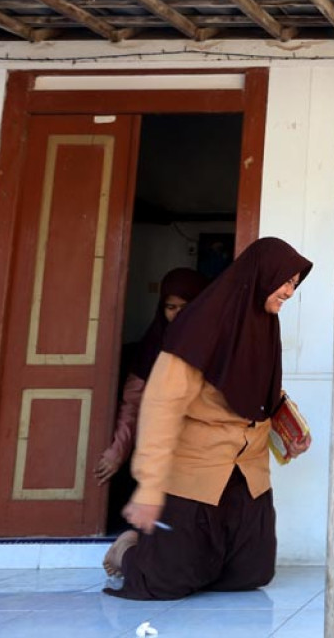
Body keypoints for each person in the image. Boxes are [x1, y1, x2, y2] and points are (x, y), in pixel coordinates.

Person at [102, 237, 314, 600]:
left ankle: (179, 553)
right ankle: (129, 548)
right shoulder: (200, 326)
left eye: (294, 283)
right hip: (197, 468)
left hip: (247, 470)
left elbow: (262, 393)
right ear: (262, 275)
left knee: (250, 574)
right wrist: (150, 487)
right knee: (165, 582)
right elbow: (160, 405)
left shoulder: (262, 325)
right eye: (285, 281)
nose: (290, 291)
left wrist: (289, 432)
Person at [96, 268, 210, 496]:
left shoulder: (217, 346)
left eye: (186, 308)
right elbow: (133, 404)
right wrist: (118, 451)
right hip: (159, 453)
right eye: (171, 307)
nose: (178, 315)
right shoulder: (151, 349)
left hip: (204, 456)